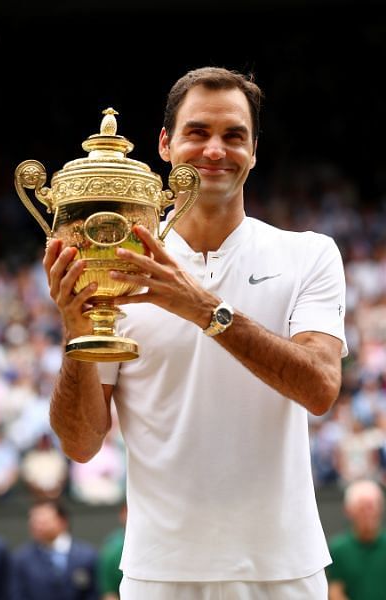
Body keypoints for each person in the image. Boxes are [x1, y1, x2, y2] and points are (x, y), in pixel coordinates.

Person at [44, 66, 345, 598]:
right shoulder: (113, 267)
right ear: (165, 143)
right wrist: (76, 332)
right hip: (159, 572)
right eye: (197, 132)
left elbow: (320, 388)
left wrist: (205, 309)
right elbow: (82, 442)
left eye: (234, 136)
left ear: (254, 150)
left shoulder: (309, 254)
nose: (214, 151)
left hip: (283, 568)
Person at [7, 500, 98, 600]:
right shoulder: (21, 559)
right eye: (34, 522)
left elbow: (94, 593)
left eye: (43, 521)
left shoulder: (87, 556)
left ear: (63, 522)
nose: (37, 526)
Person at [327, 480, 386, 599]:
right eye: (362, 509)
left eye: (372, 507)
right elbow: (335, 591)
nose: (369, 514)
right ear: (349, 511)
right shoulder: (338, 549)